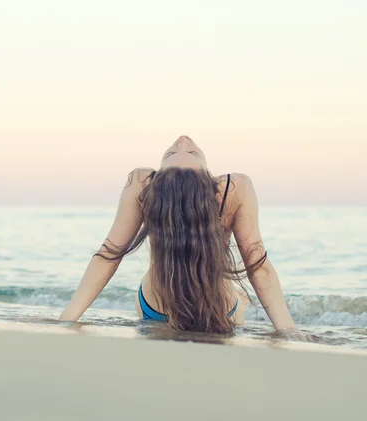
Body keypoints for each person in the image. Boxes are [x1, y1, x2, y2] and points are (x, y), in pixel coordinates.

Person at [59, 135, 312, 339]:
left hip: (154, 308)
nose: (182, 140)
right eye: (184, 152)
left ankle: (241, 300)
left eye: (184, 151)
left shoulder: (142, 184)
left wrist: (66, 320)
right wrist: (287, 331)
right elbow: (258, 266)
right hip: (223, 309)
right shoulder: (234, 189)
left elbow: (109, 255)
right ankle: (241, 301)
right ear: (207, 181)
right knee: (238, 301)